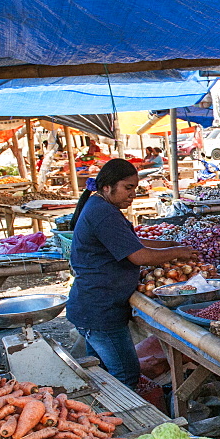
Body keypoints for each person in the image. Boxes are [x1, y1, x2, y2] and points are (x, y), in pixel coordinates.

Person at [66, 159, 194, 388]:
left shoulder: (102, 207)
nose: (133, 194)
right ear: (107, 187)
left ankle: (102, 413)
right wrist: (176, 251)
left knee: (100, 373)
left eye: (135, 188)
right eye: (128, 188)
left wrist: (168, 245)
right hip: (100, 311)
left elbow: (132, 242)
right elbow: (138, 256)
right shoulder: (103, 213)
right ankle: (121, 419)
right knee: (125, 375)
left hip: (93, 306)